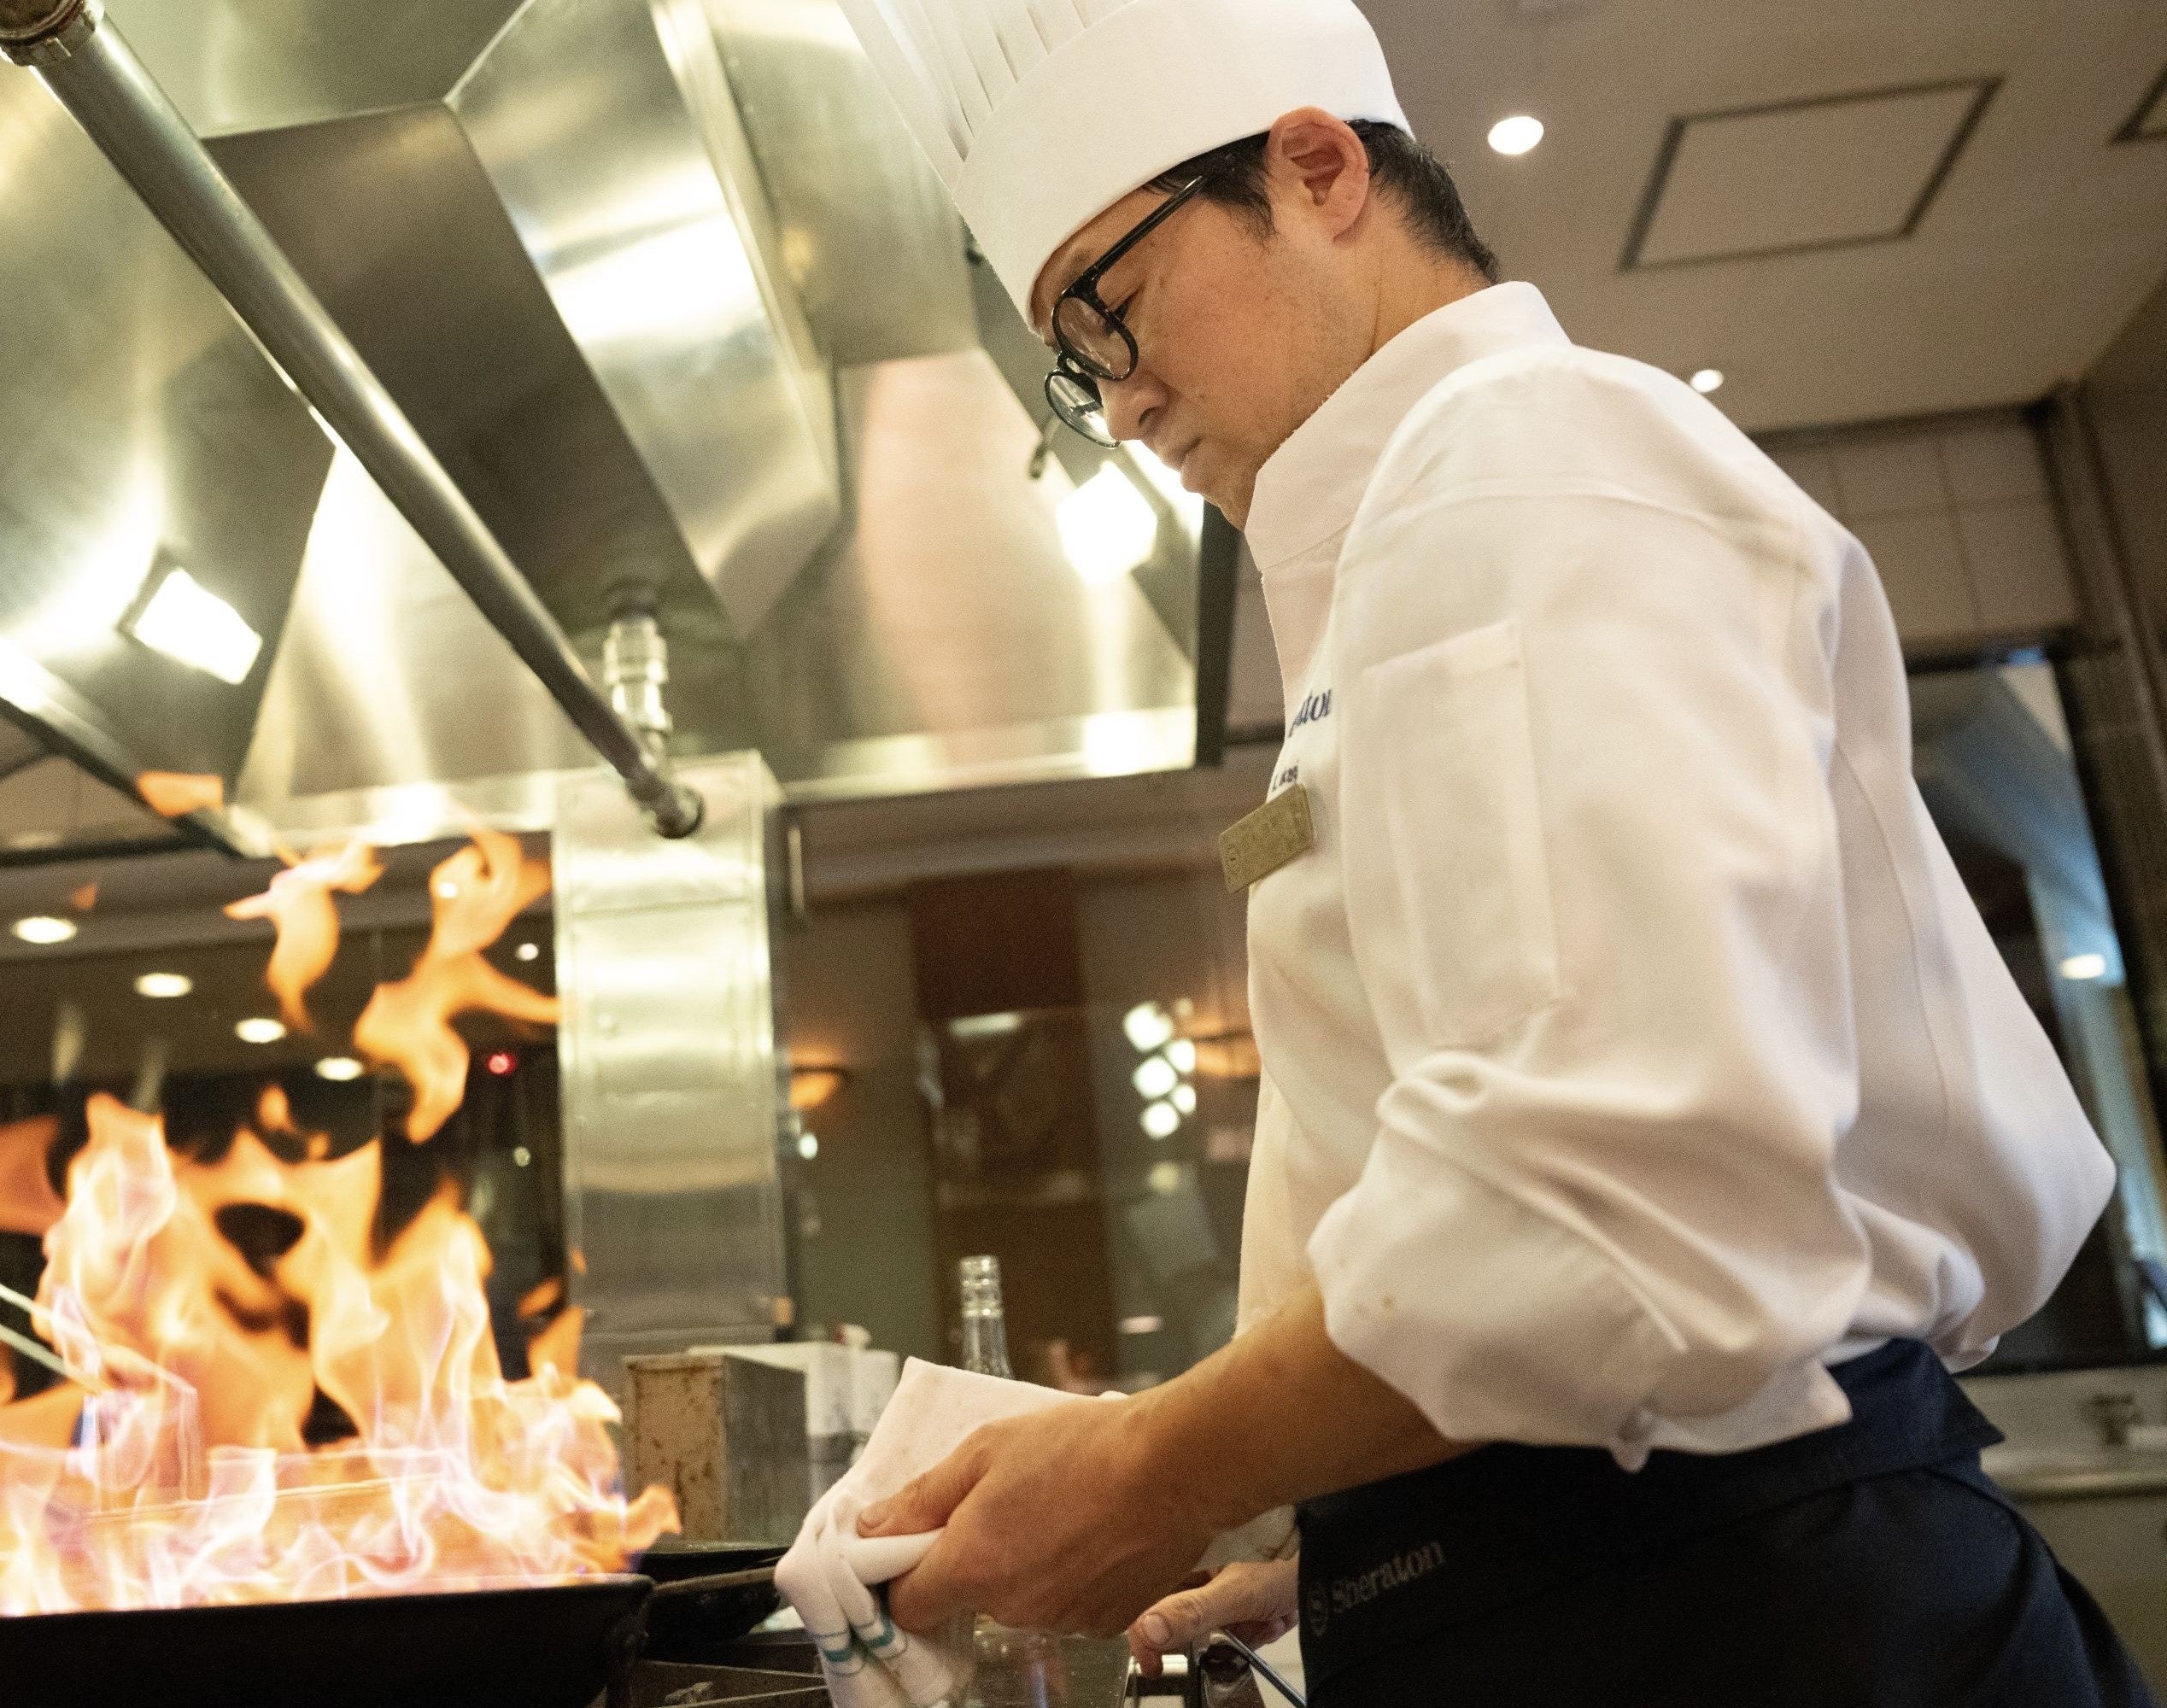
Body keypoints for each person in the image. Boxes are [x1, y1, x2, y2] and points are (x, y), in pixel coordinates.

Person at [828, 0, 2154, 1700]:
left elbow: (1616, 1190)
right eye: (1077, 364)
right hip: (1647, 1572)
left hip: (1746, 1614)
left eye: (1112, 303)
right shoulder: (1411, 532)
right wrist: (1366, 1547)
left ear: (1318, 171)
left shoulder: (1521, 454)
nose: (1125, 395)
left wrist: (1151, 1469)